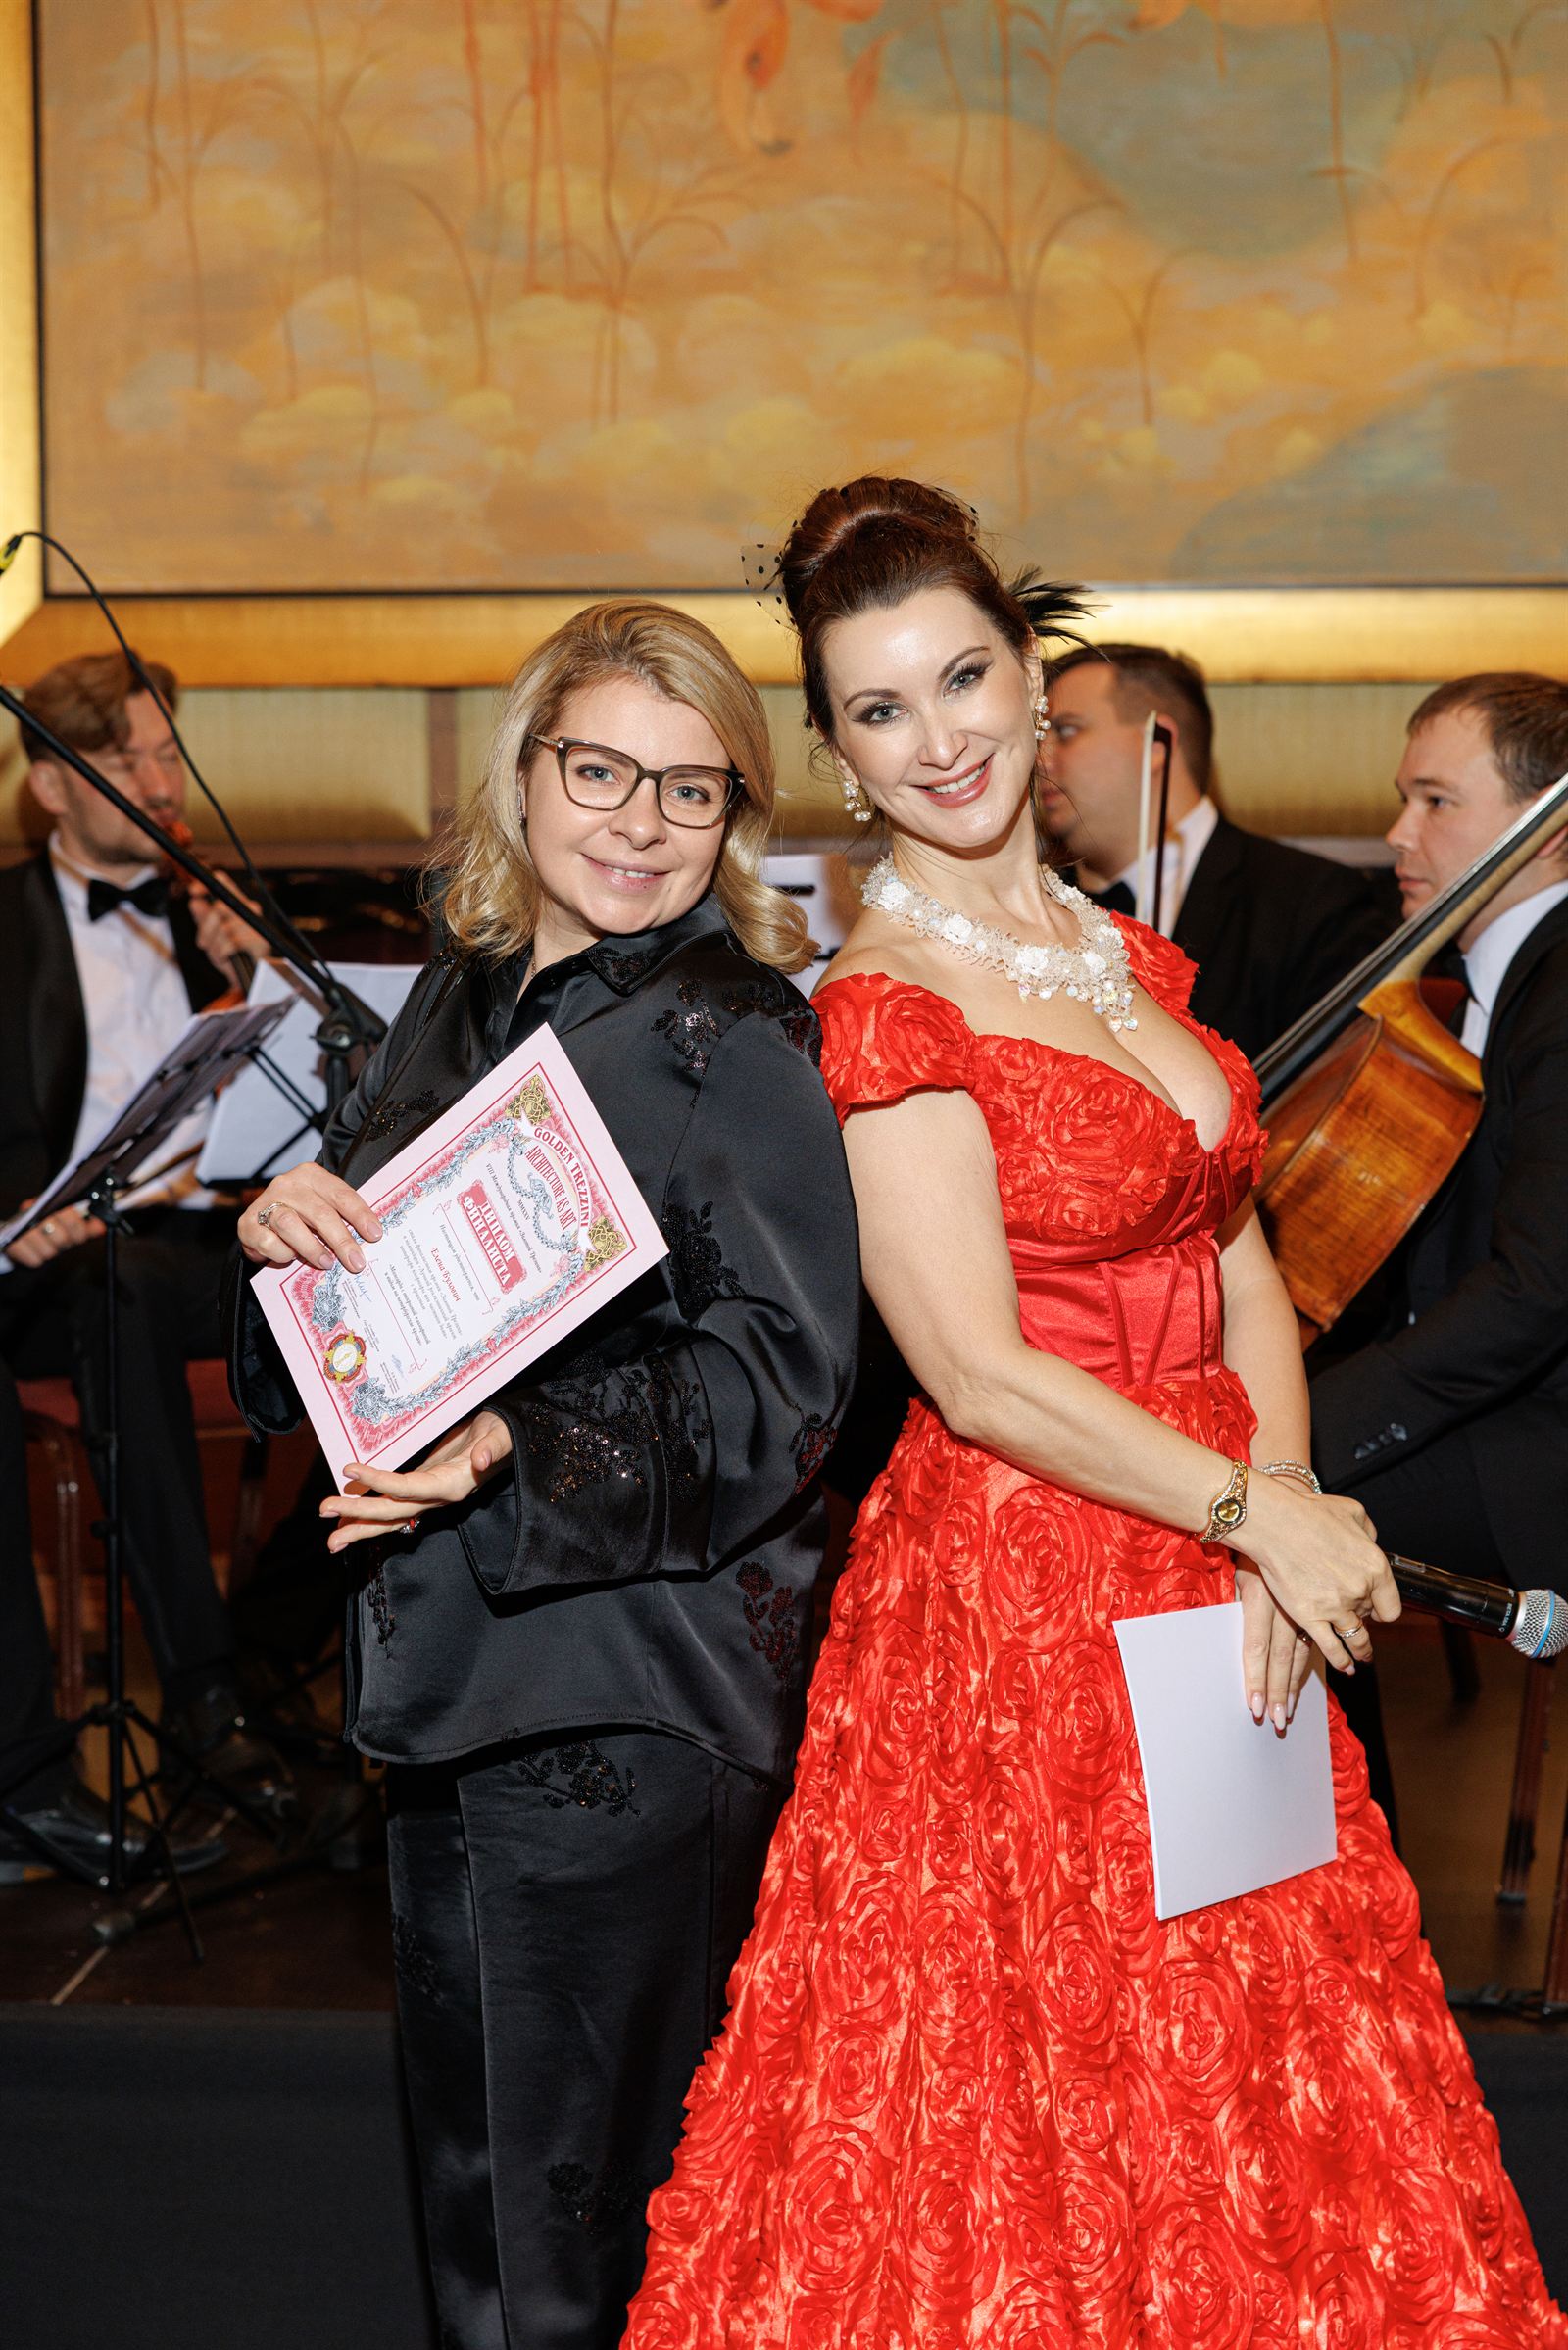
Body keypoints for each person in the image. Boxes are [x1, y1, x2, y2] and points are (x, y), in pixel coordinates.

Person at [623, 480, 1565, 2346]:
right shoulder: (884, 1002)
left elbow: (1238, 1256)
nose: (938, 737)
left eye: (964, 677)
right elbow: (976, 1371)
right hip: (1032, 1576)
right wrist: (1256, 1509)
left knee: (1263, 2033)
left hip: (1219, 1535)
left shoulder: (1124, 955)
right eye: (879, 708)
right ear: (836, 752)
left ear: (1029, 674)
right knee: (1055, 2068)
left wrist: (1283, 1495)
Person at [223, 601, 859, 2350]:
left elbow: (791, 1385)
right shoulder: (456, 997)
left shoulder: (738, 1037)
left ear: (734, 815)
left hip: (625, 1694)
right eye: (601, 772)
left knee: (562, 2244)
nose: (641, 823)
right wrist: (279, 1244)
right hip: (455, 1677)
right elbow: (353, 1329)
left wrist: (515, 1441)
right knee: (493, 2213)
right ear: (526, 772)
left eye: (690, 788)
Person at [0, 652, 289, 1884]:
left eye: (171, 755)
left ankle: (280, 1649)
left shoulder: (209, 909)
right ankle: (205, 1696)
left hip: (210, 1245)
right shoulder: (6, 922)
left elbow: (339, 1107)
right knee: (111, 1289)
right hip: (51, 1268)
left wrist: (260, 977)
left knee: (386, 1296)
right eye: (133, 761)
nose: (165, 783)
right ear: (53, 787)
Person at [1309, 672, 1568, 1832]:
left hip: (1545, 1447)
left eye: (1435, 801)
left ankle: (1346, 1889)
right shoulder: (1502, 979)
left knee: (1254, 1521)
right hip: (1515, 1411)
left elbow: (1537, 1291)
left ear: (1544, 827)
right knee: (1254, 1498)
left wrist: (1306, 1433)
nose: (1395, 833)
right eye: (1400, 798)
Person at [1040, 640, 1397, 1063]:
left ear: (1158, 744)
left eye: (1066, 731)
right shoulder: (1035, 906)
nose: (1039, 759)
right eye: (1038, 737)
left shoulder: (1314, 903)